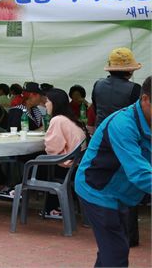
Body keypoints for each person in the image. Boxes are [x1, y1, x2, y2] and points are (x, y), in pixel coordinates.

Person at [75, 76, 151, 267]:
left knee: (113, 249)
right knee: (116, 253)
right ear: (145, 99)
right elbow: (139, 173)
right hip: (97, 191)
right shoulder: (123, 124)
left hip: (122, 192)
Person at [40, 88, 86, 219]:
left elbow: (52, 149)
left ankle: (50, 208)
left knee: (34, 165)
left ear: (55, 103)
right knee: (41, 164)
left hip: (65, 168)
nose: (45, 104)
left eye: (47, 101)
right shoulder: (70, 119)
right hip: (76, 165)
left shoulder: (57, 120)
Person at [92, 47, 142, 128]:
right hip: (123, 132)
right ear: (130, 70)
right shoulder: (135, 88)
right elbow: (140, 116)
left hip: (100, 131)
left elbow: (95, 109)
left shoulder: (98, 84)